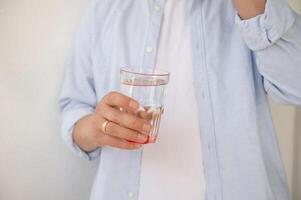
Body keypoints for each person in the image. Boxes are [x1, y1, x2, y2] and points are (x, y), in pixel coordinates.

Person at [58, 0, 301, 199]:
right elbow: (73, 107)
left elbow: (295, 88)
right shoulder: (104, 10)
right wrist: (97, 128)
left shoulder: (246, 6)